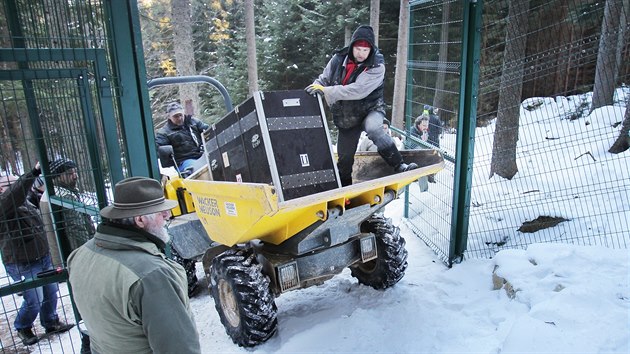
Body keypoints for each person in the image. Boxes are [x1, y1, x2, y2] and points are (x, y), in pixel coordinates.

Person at [67, 176, 201, 354]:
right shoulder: (151, 275)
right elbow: (179, 349)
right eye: (161, 212)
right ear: (140, 220)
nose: (167, 215)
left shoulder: (81, 254)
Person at [305, 25, 417, 187]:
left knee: (374, 129)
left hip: (370, 109)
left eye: (365, 50)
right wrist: (315, 88)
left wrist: (327, 91)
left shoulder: (377, 66)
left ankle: (400, 165)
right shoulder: (338, 59)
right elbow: (324, 79)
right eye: (358, 49)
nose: (361, 54)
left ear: (371, 50)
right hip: (347, 115)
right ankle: (344, 190)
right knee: (344, 157)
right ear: (352, 47)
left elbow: (357, 90)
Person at [0, 163, 74, 346]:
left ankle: (50, 322)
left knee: (51, 292)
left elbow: (26, 192)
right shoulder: (4, 205)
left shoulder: (25, 199)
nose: (18, 188)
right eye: (11, 185)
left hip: (42, 255)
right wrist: (32, 173)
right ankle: (23, 326)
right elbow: (13, 195)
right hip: (21, 262)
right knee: (34, 299)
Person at [49, 158, 96, 257]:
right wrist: (87, 253)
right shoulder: (66, 196)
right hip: (82, 252)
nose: (75, 176)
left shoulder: (54, 192)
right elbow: (76, 229)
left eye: (75, 172)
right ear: (57, 176)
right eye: (69, 173)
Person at [155, 102, 209, 174]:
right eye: (176, 116)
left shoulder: (194, 122)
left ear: (183, 113)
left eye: (180, 115)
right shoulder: (164, 133)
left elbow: (208, 131)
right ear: (169, 117)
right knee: (196, 168)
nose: (179, 118)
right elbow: (158, 149)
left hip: (202, 155)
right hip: (184, 162)